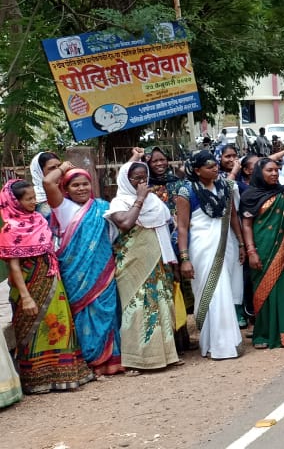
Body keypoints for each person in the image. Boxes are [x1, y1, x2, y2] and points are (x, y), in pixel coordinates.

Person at [2, 180, 94, 393]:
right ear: (14, 202)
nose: (34, 202)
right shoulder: (10, 229)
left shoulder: (38, 220)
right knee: (33, 332)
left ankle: (67, 373)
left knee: (59, 325)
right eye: (28, 199)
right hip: (28, 285)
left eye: (34, 197)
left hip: (52, 281)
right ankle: (37, 380)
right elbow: (13, 267)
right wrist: (25, 297)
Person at [43, 162, 123, 376]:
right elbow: (47, 182)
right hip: (75, 274)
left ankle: (112, 361)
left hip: (103, 271)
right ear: (66, 189)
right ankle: (90, 362)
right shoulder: (62, 207)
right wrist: (63, 167)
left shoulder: (103, 206)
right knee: (82, 314)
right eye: (75, 185)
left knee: (107, 311)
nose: (81, 188)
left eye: (85, 184)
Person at [106, 159, 182, 373]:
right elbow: (126, 223)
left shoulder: (156, 203)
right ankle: (138, 360)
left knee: (162, 304)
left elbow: (166, 231)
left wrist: (173, 263)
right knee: (137, 307)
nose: (142, 183)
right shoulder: (118, 202)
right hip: (132, 265)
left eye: (144, 179)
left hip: (158, 263)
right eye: (136, 179)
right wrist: (139, 199)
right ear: (126, 180)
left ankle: (166, 355)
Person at [176, 150, 245, 359]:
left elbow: (233, 217)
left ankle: (225, 342)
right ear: (197, 170)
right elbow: (182, 227)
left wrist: (241, 244)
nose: (215, 168)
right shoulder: (186, 191)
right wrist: (184, 258)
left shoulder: (225, 186)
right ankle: (215, 343)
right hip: (201, 247)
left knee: (223, 291)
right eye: (209, 166)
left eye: (215, 165)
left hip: (226, 245)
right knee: (212, 292)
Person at [239, 158, 284, 349]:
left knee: (283, 289)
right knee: (262, 290)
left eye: (277, 170)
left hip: (282, 247)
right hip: (261, 248)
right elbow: (246, 225)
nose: (274, 174)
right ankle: (263, 334)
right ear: (259, 173)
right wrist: (251, 251)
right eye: (269, 170)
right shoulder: (249, 196)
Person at [146, 147, 194, 353]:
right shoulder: (145, 188)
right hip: (157, 242)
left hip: (180, 241)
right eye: (154, 160)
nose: (159, 164)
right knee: (165, 287)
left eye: (162, 159)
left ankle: (184, 336)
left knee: (182, 288)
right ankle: (170, 339)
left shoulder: (180, 184)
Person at [28, 152, 61, 219]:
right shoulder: (33, 198)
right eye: (52, 168)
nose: (58, 171)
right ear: (40, 172)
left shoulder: (69, 189)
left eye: (60, 166)